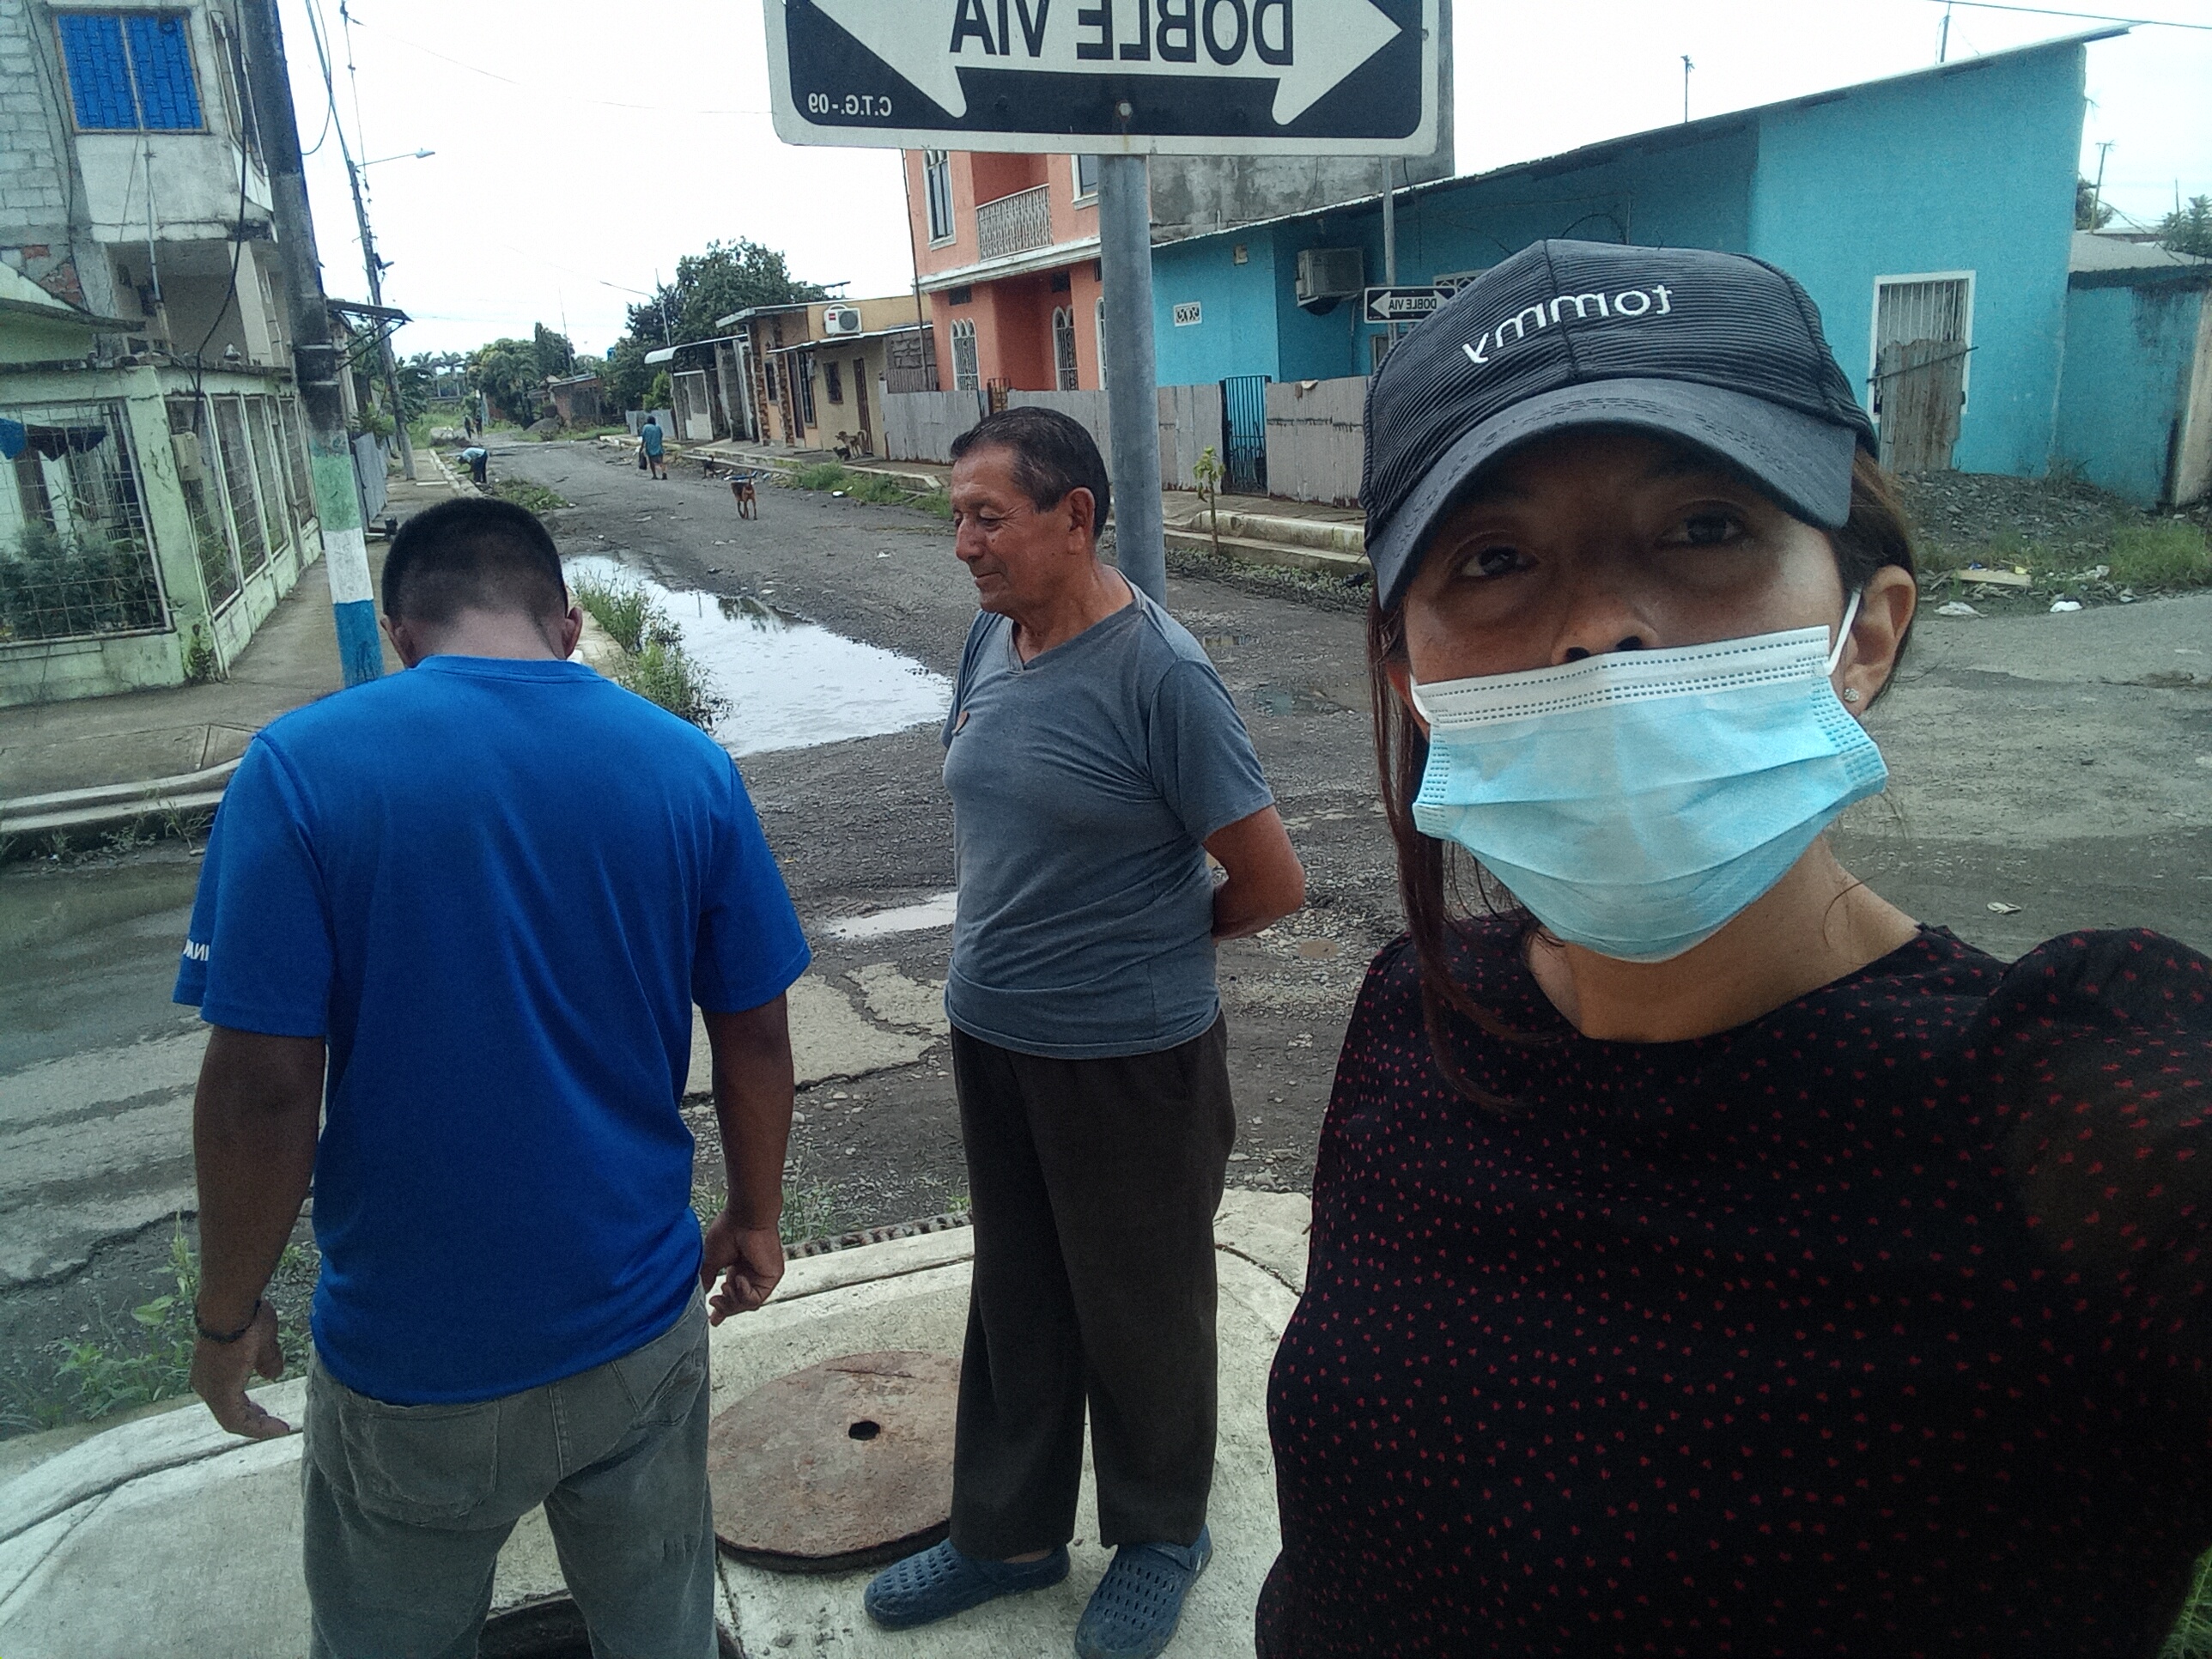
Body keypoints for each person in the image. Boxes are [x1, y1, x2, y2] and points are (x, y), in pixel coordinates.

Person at [1258, 239, 2212, 1656]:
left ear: (1864, 632)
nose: (1601, 630)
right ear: (1410, 677)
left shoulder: (2068, 1110)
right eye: (1496, 558)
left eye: (1703, 528)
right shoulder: (1420, 1012)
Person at [177, 495, 810, 1659]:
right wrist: (755, 1216)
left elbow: (264, 1087)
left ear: (401, 636)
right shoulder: (687, 765)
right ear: (566, 623)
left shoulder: (302, 769)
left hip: (415, 1359)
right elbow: (756, 1034)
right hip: (636, 1322)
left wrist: (227, 1316)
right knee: (661, 1632)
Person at [862, 407, 1307, 1659]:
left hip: (1130, 1058)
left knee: (1141, 1305)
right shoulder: (990, 636)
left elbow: (1273, 884)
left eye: (987, 517)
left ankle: (1162, 1535)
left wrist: (1141, 951)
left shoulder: (1160, 676)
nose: (963, 543)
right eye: (956, 516)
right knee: (1017, 1294)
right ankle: (1007, 1536)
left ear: (1075, 517)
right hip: (993, 1034)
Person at [641, 412, 666, 480]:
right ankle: (664, 473)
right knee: (661, 462)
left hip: (650, 447)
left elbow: (644, 438)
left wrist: (642, 447)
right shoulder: (658, 427)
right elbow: (661, 435)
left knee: (652, 462)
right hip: (659, 446)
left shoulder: (646, 427)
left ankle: (654, 475)